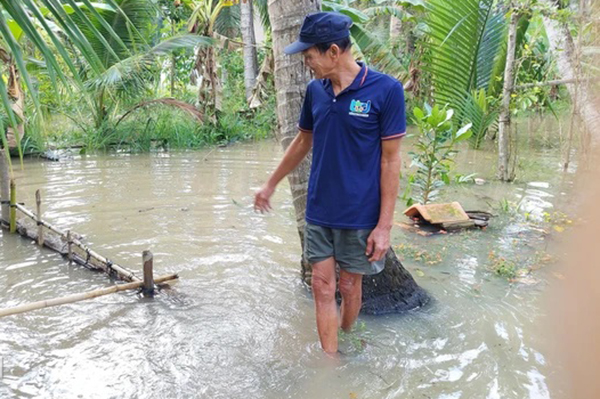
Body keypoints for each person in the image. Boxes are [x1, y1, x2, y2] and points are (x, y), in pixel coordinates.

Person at [254, 11, 406, 355]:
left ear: (333, 52)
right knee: (322, 286)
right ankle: (329, 365)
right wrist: (271, 184)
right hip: (319, 209)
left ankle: (347, 335)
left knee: (350, 285)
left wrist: (384, 226)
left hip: (359, 214)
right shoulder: (315, 91)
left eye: (309, 55)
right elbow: (302, 141)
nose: (306, 62)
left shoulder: (386, 91)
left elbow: (391, 160)